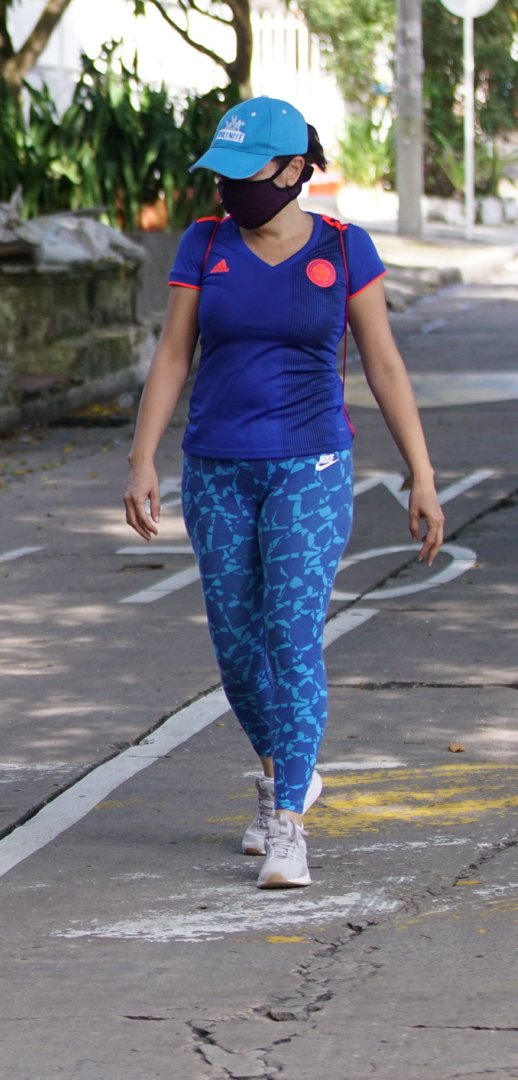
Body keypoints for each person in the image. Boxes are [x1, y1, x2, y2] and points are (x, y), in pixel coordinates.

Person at [124, 97, 444, 890]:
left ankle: (289, 823)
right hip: (217, 468)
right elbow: (172, 356)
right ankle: (283, 770)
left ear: (295, 170)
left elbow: (385, 367)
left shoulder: (344, 247)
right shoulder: (204, 245)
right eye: (222, 174)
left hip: (313, 466)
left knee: (291, 633)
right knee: (237, 649)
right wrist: (142, 458)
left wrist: (423, 474)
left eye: (247, 173)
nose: (232, 189)